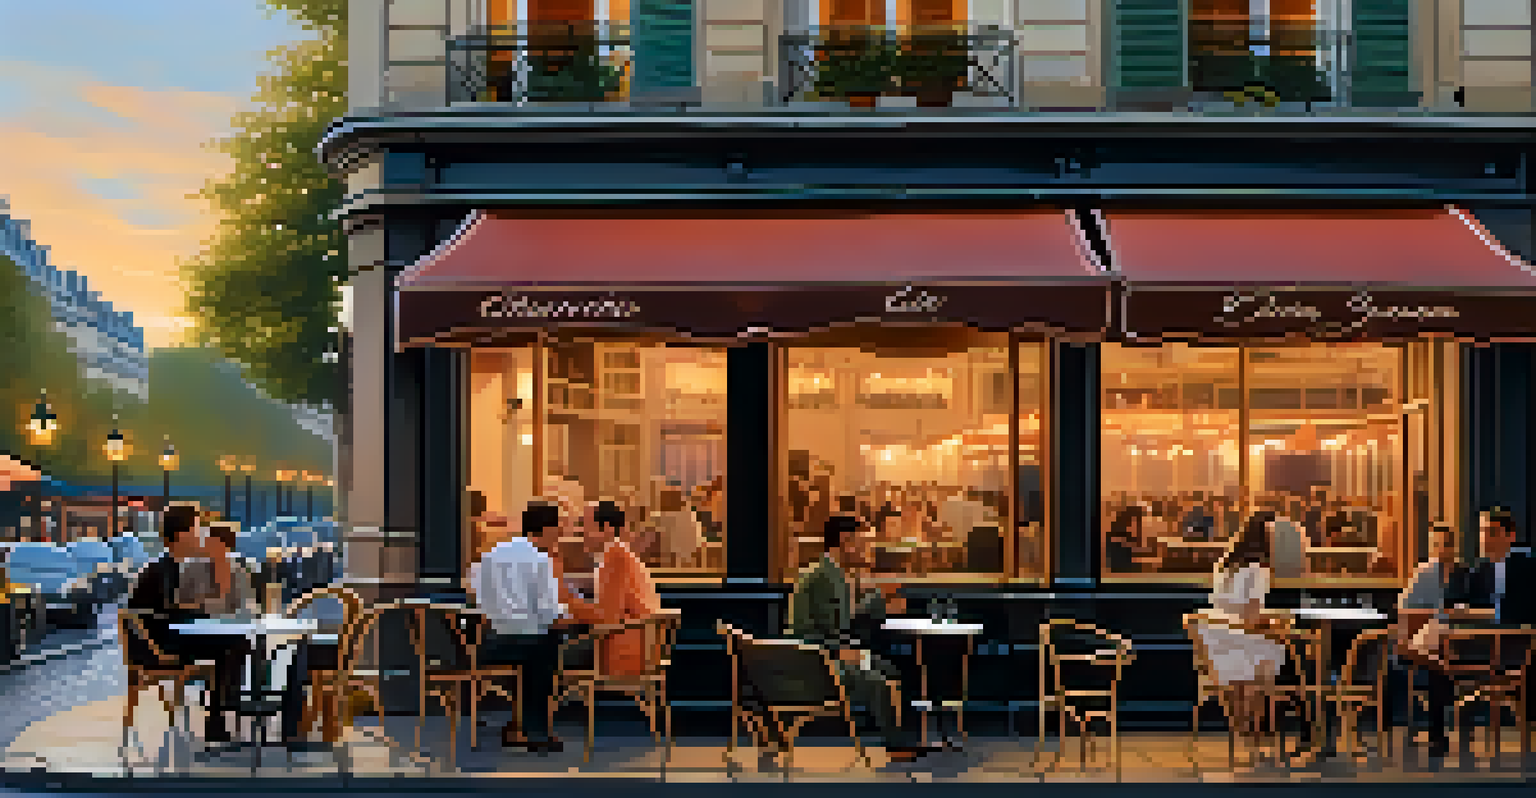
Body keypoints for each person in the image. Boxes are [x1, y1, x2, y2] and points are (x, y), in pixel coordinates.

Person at [785, 514, 931, 763]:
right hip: (817, 664)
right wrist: (840, 649)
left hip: (831, 654)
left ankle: (905, 739)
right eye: (862, 542)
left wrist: (878, 600)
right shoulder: (822, 577)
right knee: (879, 681)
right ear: (845, 541)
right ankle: (897, 746)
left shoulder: (837, 574)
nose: (868, 549)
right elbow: (813, 632)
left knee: (893, 669)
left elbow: (843, 615)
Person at [469, 500, 594, 751]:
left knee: (535, 651)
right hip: (526, 644)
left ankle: (517, 725)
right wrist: (573, 618)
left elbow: (478, 599)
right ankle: (534, 731)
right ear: (545, 530)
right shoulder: (540, 560)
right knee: (546, 650)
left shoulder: (491, 555)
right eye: (557, 530)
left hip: (490, 645)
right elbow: (549, 611)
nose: (560, 536)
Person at [125, 505, 251, 744]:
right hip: (159, 646)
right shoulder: (163, 570)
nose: (202, 534)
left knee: (237, 642)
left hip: (165, 639)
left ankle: (222, 708)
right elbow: (177, 611)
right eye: (197, 528)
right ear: (183, 534)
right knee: (236, 644)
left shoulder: (172, 566)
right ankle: (222, 712)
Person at [1197, 512, 1288, 745]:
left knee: (1264, 652)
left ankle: (1241, 724)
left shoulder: (1224, 565)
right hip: (1240, 645)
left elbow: (1227, 607)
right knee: (1280, 652)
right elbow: (1251, 617)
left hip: (1215, 645)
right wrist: (1276, 622)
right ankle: (1253, 723)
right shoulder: (1258, 570)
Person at [1395, 520, 1461, 759]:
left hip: (1456, 641)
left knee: (1441, 666)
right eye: (1437, 544)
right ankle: (1438, 734)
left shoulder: (1464, 573)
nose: (1442, 549)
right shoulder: (1424, 573)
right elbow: (1407, 610)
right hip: (1427, 643)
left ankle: (1439, 734)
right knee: (1437, 667)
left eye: (1446, 544)